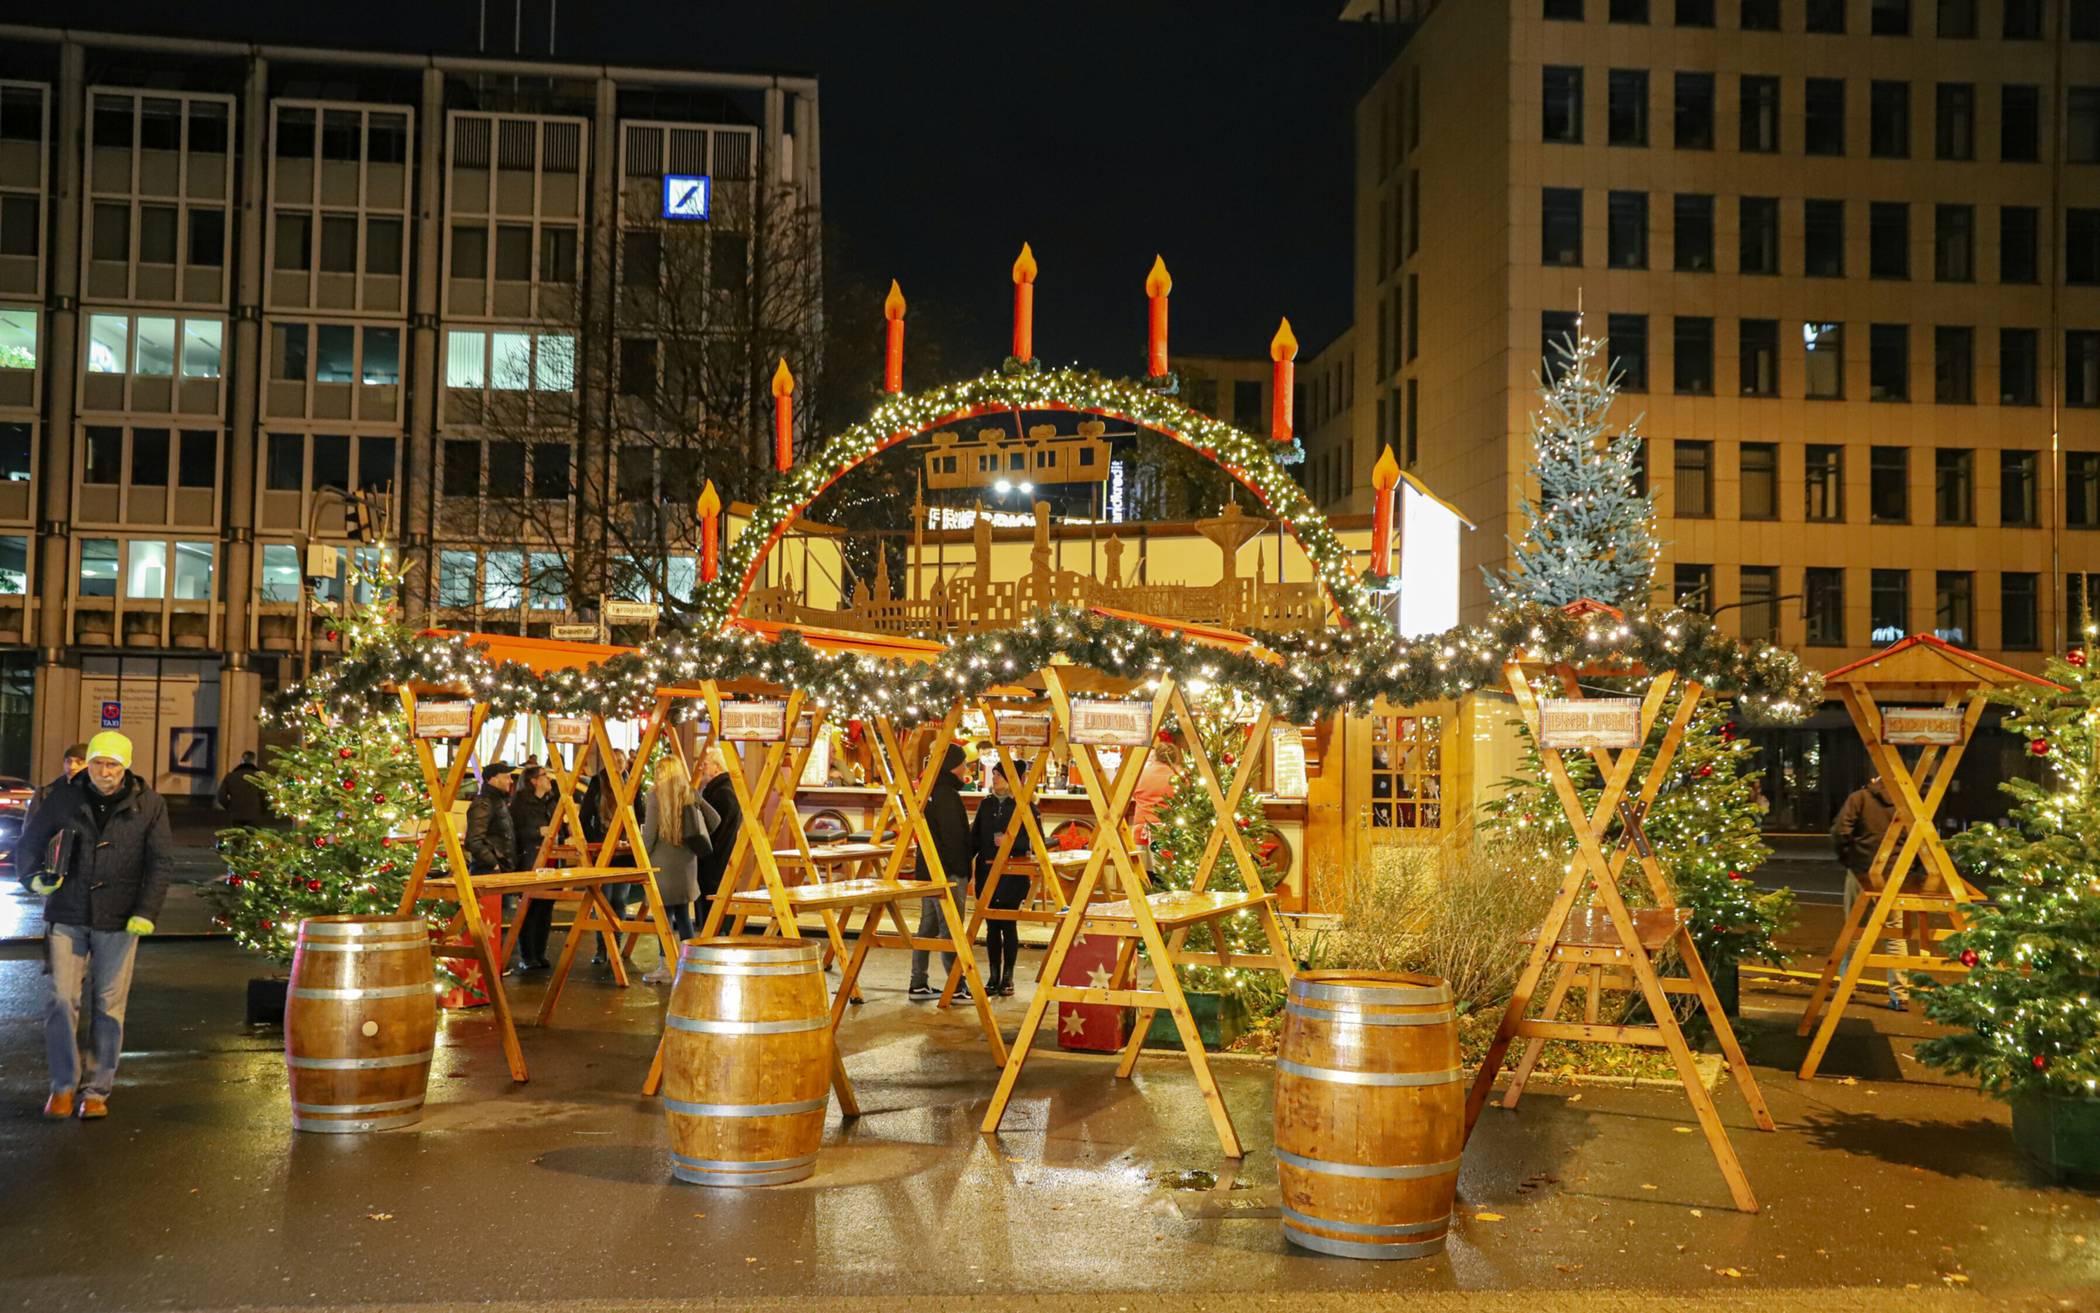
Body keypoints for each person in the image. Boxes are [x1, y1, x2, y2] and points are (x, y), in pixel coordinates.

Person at [17, 731, 173, 1120]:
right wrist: (33, 878)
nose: (105, 771)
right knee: (60, 1000)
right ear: (89, 764)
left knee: (108, 1006)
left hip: (120, 918)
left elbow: (160, 862)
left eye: (112, 765)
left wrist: (146, 911)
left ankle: (97, 1090)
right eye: (98, 763)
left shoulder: (150, 805)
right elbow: (31, 841)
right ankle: (62, 1087)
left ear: (126, 767)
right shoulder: (64, 798)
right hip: (67, 912)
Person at [907, 743, 977, 1001]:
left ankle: (918, 982)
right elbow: (953, 837)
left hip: (928, 869)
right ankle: (956, 985)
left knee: (928, 927)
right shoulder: (947, 794)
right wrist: (962, 870)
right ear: (953, 765)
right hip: (947, 872)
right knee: (951, 929)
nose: (966, 768)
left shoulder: (930, 791)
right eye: (964, 763)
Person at [1832, 773, 1906, 1009]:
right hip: (1893, 872)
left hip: (1861, 870)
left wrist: (1849, 858)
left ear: (1876, 779)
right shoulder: (1904, 802)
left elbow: (1840, 831)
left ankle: (1847, 986)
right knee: (1894, 932)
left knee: (1855, 929)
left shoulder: (1860, 798)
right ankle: (1899, 994)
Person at [971, 761, 1037, 997]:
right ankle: (993, 976)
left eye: (1000, 774)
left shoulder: (1025, 806)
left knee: (1008, 925)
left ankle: (1008, 977)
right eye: (995, 774)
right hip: (987, 872)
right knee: (991, 926)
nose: (995, 778)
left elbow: (1035, 841)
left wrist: (1011, 843)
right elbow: (974, 839)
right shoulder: (986, 804)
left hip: (1012, 875)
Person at [640, 756, 701, 984]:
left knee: (663, 919)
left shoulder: (655, 795)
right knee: (684, 916)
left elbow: (649, 835)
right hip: (686, 865)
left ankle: (666, 967)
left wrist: (641, 857)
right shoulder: (690, 793)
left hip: (662, 867)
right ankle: (690, 965)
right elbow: (714, 819)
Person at [464, 760, 523, 964]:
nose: (510, 781)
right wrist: (493, 863)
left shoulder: (498, 801)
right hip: (488, 873)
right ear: (493, 779)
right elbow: (473, 840)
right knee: (488, 922)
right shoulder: (484, 803)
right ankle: (486, 967)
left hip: (499, 871)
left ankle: (495, 966)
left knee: (497, 922)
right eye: (506, 777)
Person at [508, 765, 560, 970]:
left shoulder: (550, 801)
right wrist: (540, 831)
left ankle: (540, 952)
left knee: (546, 908)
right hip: (530, 861)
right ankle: (527, 955)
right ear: (534, 781)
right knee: (529, 908)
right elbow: (517, 832)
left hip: (550, 860)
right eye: (544, 776)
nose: (549, 779)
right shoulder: (520, 803)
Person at [692, 747, 743, 914]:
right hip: (720, 863)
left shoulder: (721, 793)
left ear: (717, 767)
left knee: (711, 914)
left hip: (714, 864)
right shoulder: (725, 789)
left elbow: (711, 830)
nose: (702, 768)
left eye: (706, 764)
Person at [216, 750, 267, 825]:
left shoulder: (231, 776)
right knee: (252, 832)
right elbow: (265, 796)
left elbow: (221, 796)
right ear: (253, 760)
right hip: (254, 814)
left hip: (236, 814)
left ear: (242, 760)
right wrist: (262, 809)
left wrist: (230, 807)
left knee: (237, 832)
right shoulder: (259, 777)